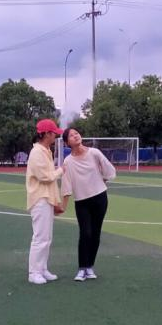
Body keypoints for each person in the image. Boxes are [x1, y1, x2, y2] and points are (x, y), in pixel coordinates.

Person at [60, 127, 116, 281]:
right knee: (85, 233)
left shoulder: (94, 153)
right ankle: (81, 268)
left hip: (100, 198)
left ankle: (90, 266)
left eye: (76, 133)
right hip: (81, 202)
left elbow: (109, 169)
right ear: (67, 142)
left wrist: (102, 181)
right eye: (71, 135)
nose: (75, 136)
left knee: (96, 233)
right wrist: (63, 205)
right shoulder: (68, 161)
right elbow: (66, 185)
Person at [26, 119, 65, 284]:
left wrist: (56, 202)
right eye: (54, 133)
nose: (56, 136)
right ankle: (34, 272)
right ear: (47, 134)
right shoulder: (37, 152)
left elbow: (50, 182)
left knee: (46, 238)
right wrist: (61, 171)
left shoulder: (46, 151)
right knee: (40, 237)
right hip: (39, 198)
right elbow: (45, 177)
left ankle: (42, 268)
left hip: (46, 198)